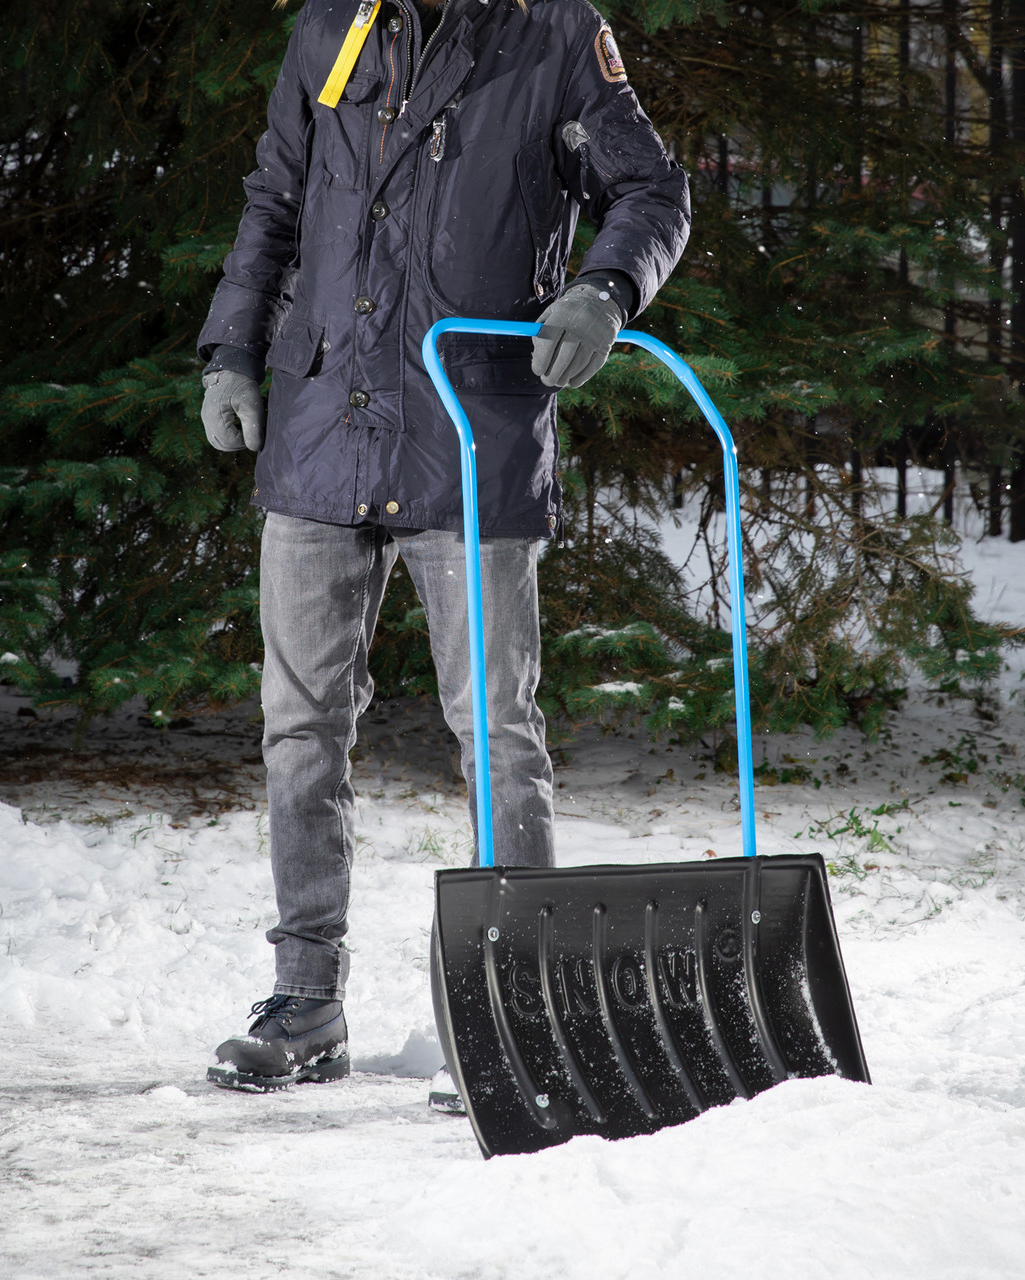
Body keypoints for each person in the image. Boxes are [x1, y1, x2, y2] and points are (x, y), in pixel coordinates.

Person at [197, 0, 689, 1103]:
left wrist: (607, 288)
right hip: (322, 420)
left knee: (497, 731)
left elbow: (653, 189)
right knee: (299, 725)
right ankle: (303, 997)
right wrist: (230, 348)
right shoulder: (330, 30)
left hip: (470, 424)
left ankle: (512, 1011)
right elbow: (274, 198)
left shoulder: (553, 34)